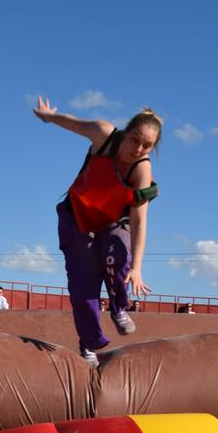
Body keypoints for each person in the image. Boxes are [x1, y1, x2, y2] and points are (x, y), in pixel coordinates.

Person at [33, 98, 160, 365]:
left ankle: (118, 309)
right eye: (135, 140)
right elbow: (73, 124)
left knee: (118, 253)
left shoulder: (142, 168)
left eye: (146, 145)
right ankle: (89, 343)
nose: (138, 149)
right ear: (126, 133)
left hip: (112, 221)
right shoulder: (104, 135)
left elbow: (139, 220)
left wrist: (137, 267)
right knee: (84, 281)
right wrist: (48, 117)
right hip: (77, 216)